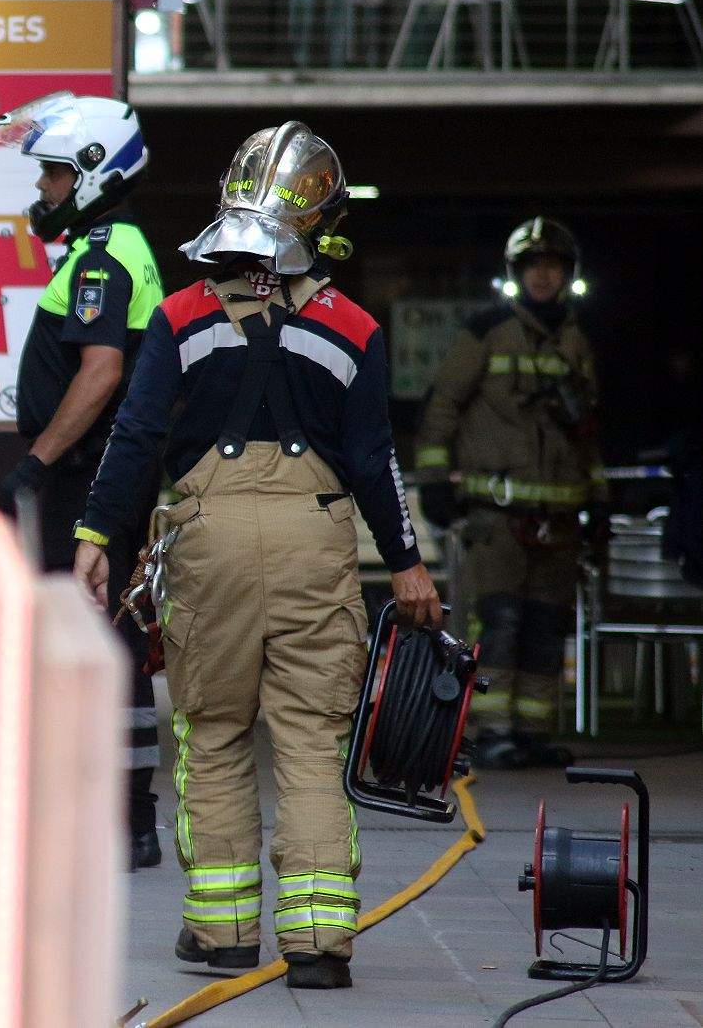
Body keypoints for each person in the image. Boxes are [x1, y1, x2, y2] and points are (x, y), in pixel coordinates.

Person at [72, 122, 441, 990]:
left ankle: (225, 931)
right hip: (318, 543)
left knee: (217, 731)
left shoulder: (179, 316)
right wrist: (410, 562)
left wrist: (95, 535)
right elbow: (374, 459)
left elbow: (133, 438)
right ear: (319, 221)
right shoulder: (354, 326)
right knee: (313, 739)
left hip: (207, 542)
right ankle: (318, 942)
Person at [0, 92, 166, 870]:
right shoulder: (113, 247)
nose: (44, 190)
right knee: (107, 637)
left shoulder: (102, 255)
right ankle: (123, 819)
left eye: (55, 173)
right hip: (104, 471)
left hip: (90, 475)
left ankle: (120, 821)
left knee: (98, 639)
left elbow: (100, 372)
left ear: (95, 170)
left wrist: (36, 461)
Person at [415, 218, 600, 770]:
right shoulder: (485, 332)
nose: (544, 275)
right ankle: (490, 731)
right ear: (516, 273)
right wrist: (433, 483)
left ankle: (533, 733)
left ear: (568, 274)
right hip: (495, 516)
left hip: (559, 518)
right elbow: (441, 406)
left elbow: (590, 428)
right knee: (498, 621)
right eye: (533, 266)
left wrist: (601, 497)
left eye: (553, 266)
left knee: (546, 624)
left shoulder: (575, 338)